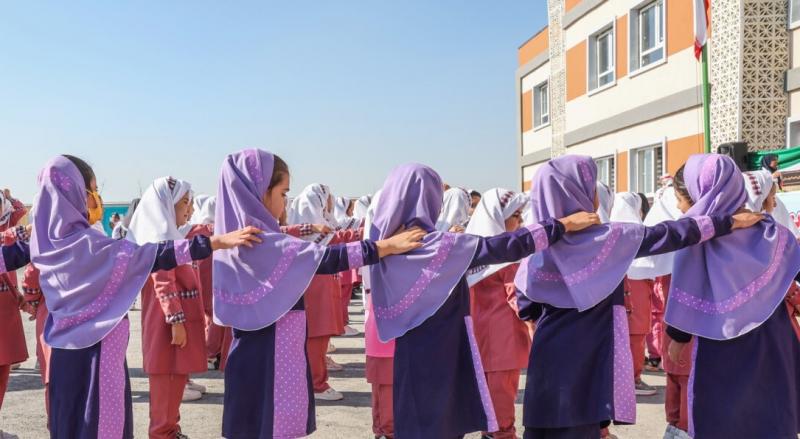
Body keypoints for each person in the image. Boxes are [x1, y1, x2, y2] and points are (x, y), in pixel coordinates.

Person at [514, 155, 762, 439]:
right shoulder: (608, 240)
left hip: (550, 352)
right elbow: (671, 234)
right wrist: (727, 221)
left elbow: (526, 304)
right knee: (580, 421)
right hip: (590, 353)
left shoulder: (539, 244)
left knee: (547, 424)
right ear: (577, 194)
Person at [30, 155, 261, 438]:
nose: (96, 200)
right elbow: (153, 256)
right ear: (75, 193)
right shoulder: (87, 245)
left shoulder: (45, 244)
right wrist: (215, 243)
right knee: (100, 424)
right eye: (93, 192)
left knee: (72, 423)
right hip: (95, 357)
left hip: (67, 355)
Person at [368, 163, 599, 438]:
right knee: (438, 425)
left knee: (416, 422)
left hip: (409, 354)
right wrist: (561, 225)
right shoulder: (434, 246)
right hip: (443, 354)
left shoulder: (383, 245)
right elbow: (504, 246)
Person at [213, 149, 424, 439]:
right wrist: (386, 247)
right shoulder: (260, 241)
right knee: (271, 422)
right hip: (270, 353)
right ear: (261, 192)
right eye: (283, 192)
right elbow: (325, 258)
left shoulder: (244, 235)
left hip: (265, 349)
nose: (286, 201)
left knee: (258, 421)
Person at [665, 154, 800, 439]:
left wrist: (678, 339)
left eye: (680, 198)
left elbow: (686, 288)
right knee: (771, 411)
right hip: (773, 340)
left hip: (721, 345)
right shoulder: (771, 232)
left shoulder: (697, 241)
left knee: (721, 416)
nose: (678, 207)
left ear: (702, 195)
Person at [126, 177, 211, 438]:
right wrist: (175, 321)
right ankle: (162, 432)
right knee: (166, 380)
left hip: (177, 324)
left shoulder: (171, 236)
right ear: (166, 205)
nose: (190, 208)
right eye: (185, 202)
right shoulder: (159, 239)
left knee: (175, 379)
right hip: (168, 327)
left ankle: (170, 429)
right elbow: (163, 281)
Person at [465, 188, 531, 439]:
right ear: (498, 217)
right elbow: (519, 299)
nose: (521, 222)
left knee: (490, 391)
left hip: (479, 333)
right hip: (504, 337)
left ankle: (492, 432)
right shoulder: (507, 256)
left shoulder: (473, 249)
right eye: (516, 215)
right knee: (502, 392)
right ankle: (501, 434)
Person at [288, 183, 362, 399]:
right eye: (327, 197)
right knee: (316, 335)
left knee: (318, 336)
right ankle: (316, 384)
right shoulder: (312, 230)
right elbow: (338, 240)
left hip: (323, 284)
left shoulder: (318, 227)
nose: (331, 201)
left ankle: (315, 380)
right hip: (315, 286)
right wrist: (364, 234)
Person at [609, 192, 658, 397]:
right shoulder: (638, 233)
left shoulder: (610, 231)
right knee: (636, 335)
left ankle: (622, 379)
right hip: (636, 289)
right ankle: (633, 379)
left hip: (622, 289)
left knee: (622, 337)